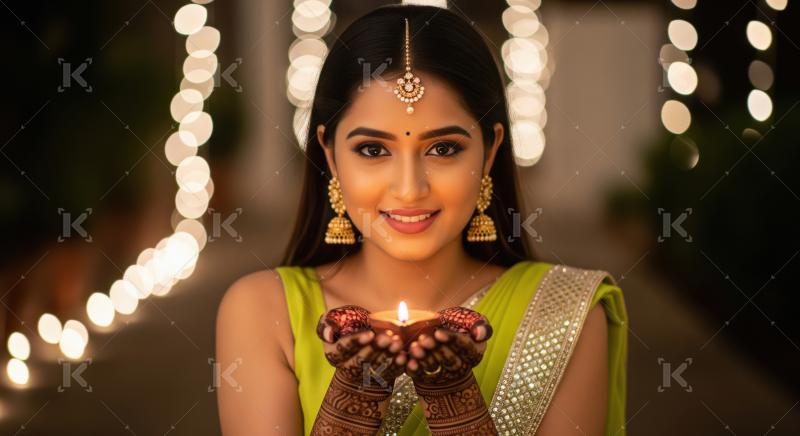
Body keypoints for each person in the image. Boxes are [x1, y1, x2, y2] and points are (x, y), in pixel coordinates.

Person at [216, 4, 628, 435]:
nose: (410, 189)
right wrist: (354, 400)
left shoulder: (562, 314)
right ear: (330, 155)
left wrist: (453, 400)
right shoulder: (264, 311)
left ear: (489, 152)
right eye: (373, 150)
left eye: (443, 149)